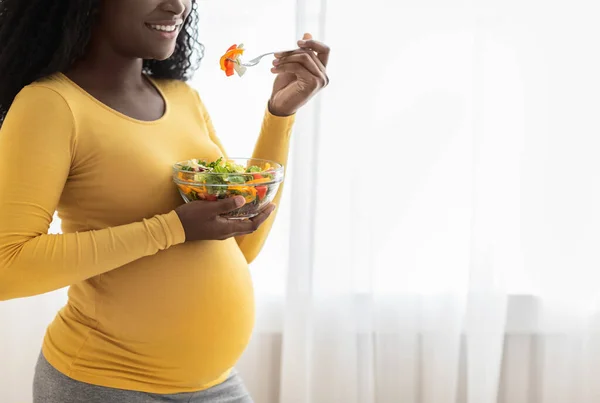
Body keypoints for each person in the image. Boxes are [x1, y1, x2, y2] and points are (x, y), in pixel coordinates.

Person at [0, 0, 329, 401]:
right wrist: (172, 228)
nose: (176, 6)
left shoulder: (183, 98)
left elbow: (242, 244)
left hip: (216, 386)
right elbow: (8, 267)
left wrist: (279, 115)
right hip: (104, 385)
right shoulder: (51, 105)